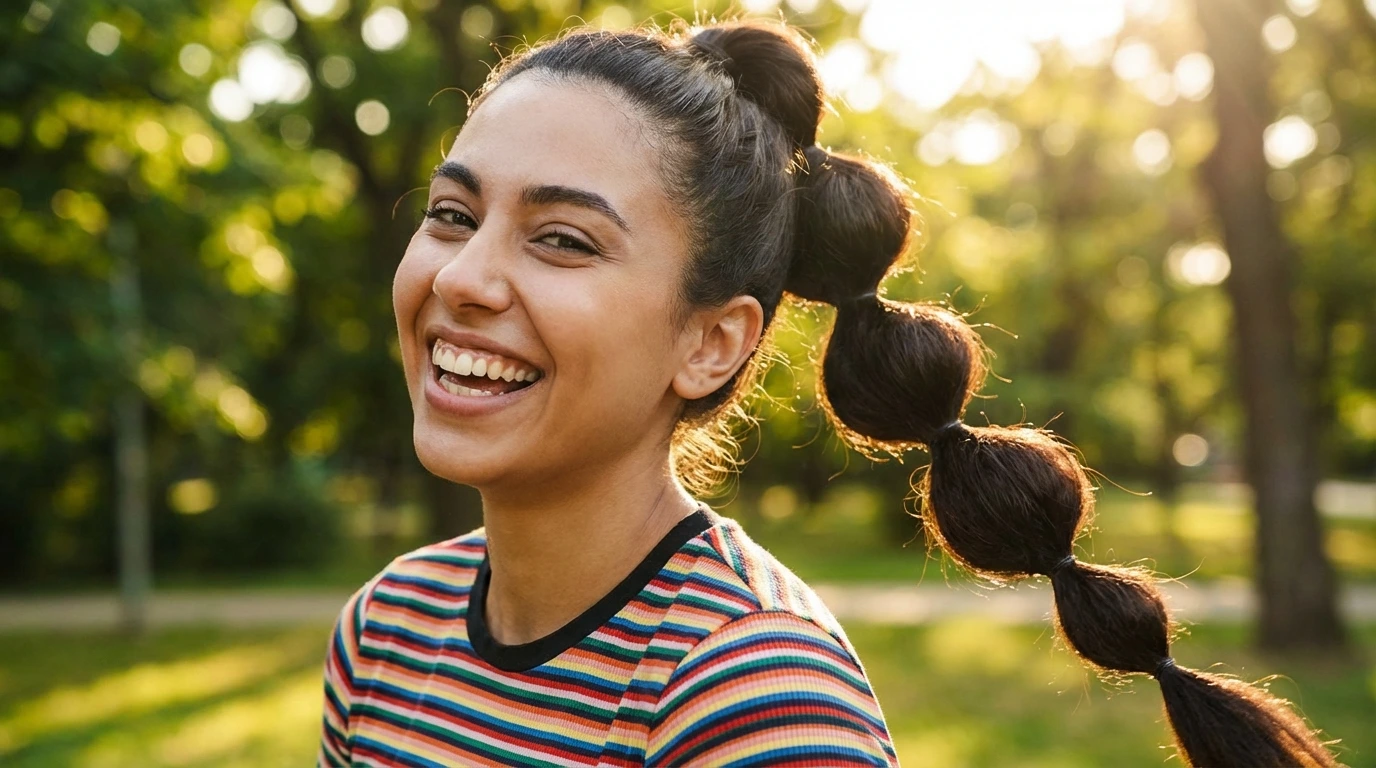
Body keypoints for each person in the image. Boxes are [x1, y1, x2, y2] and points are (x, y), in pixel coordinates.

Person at [317, 16, 1336, 768]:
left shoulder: (755, 698)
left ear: (711, 344)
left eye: (561, 240)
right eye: (451, 214)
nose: (459, 278)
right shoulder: (383, 632)